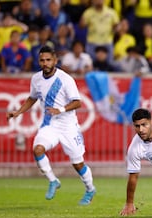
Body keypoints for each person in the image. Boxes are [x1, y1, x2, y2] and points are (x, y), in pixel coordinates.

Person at [6, 45, 96, 205]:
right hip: (50, 125)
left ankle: (90, 189)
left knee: (78, 163)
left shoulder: (65, 79)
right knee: (38, 150)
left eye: (48, 60)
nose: (45, 63)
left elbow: (77, 103)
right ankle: (53, 180)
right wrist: (18, 112)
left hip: (68, 126)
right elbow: (32, 98)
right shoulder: (36, 79)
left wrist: (60, 109)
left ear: (55, 61)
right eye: (42, 60)